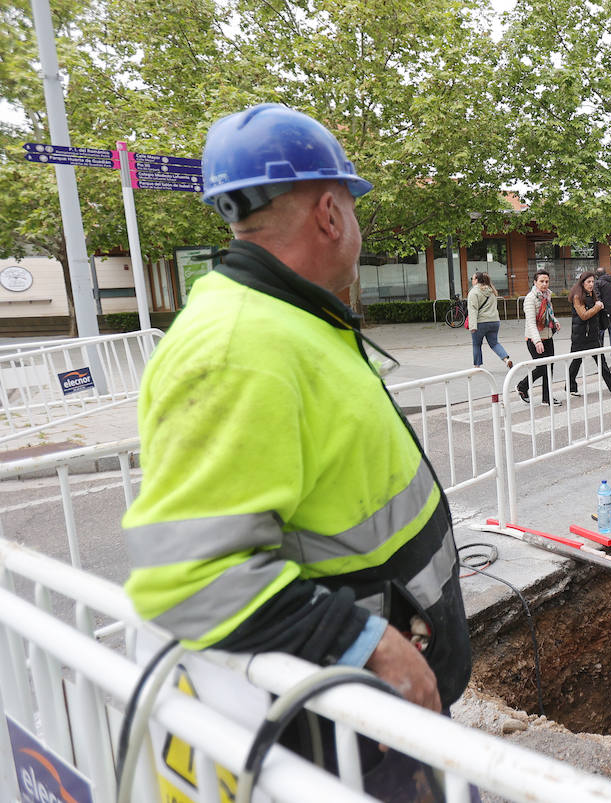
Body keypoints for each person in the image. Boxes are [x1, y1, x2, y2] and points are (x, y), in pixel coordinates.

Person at [121, 104, 470, 788]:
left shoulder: (288, 319)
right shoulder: (238, 347)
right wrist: (371, 645)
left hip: (383, 715)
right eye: (356, 211)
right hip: (353, 735)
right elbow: (193, 578)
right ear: (330, 213)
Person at [517, 269, 562, 405]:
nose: (544, 284)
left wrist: (555, 321)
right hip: (534, 339)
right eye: (541, 281)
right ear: (535, 282)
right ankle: (522, 386)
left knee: (549, 367)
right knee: (542, 368)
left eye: (547, 281)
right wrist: (537, 341)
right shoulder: (530, 299)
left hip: (548, 336)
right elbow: (531, 322)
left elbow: (549, 313)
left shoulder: (547, 296)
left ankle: (547, 398)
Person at [567, 271, 611, 396]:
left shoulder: (592, 294)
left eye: (593, 282)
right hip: (581, 337)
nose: (591, 284)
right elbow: (583, 315)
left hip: (592, 336)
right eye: (588, 282)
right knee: (576, 362)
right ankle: (570, 386)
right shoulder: (577, 297)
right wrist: (597, 307)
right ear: (582, 283)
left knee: (601, 361)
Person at [467, 272, 513, 369]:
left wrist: (472, 326)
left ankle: (477, 367)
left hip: (480, 322)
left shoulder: (473, 292)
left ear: (477, 280)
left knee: (476, 344)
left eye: (473, 278)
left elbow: (473, 310)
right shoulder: (491, 291)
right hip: (494, 321)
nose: (472, 280)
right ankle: (506, 359)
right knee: (494, 343)